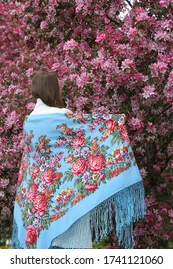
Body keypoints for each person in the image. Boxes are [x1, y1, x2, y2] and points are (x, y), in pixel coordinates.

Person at [11, 70, 145, 249]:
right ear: (52, 89)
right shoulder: (64, 117)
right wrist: (116, 121)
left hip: (37, 206)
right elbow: (93, 128)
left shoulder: (29, 122)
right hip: (67, 203)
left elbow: (30, 169)